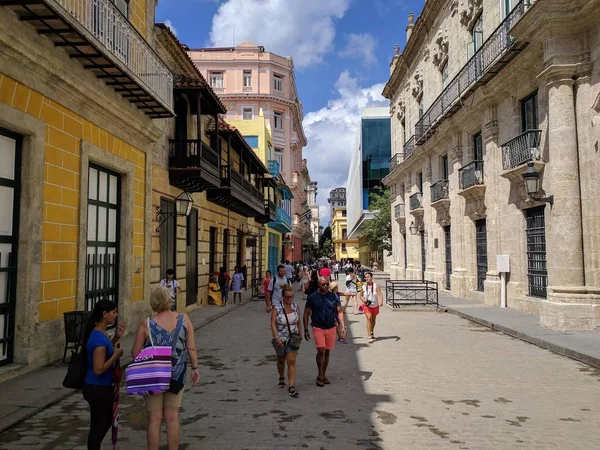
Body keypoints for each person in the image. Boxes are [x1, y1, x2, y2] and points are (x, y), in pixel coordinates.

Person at [131, 286, 199, 450]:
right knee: (172, 418)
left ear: (153, 301)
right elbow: (191, 348)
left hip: (154, 375)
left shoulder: (146, 324)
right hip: (177, 373)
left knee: (154, 420)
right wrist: (195, 368)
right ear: (170, 299)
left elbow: (134, 353)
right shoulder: (185, 319)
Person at [82, 299, 126, 450]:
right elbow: (98, 368)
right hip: (98, 388)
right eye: (113, 312)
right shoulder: (99, 339)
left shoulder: (100, 333)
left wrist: (116, 338)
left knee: (99, 423)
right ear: (104, 314)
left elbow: (105, 353)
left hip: (97, 387)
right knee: (101, 424)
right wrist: (116, 356)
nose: (116, 315)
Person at [303, 276, 346, 387]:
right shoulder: (312, 297)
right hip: (318, 326)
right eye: (323, 284)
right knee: (321, 350)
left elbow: (339, 311)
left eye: (327, 284)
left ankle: (323, 373)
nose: (326, 286)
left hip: (331, 326)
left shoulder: (333, 296)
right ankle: (320, 374)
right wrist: (306, 329)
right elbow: (306, 313)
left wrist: (342, 326)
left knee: (327, 351)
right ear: (318, 284)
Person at [270, 283, 303, 398]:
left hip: (293, 338)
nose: (290, 299)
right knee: (281, 359)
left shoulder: (295, 306)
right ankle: (281, 377)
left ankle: (292, 386)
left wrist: (300, 334)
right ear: (283, 296)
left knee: (291, 361)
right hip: (280, 339)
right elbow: (273, 323)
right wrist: (276, 337)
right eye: (287, 297)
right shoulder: (277, 307)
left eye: (292, 296)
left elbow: (298, 322)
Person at [361, 272, 384, 343]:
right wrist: (363, 300)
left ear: (371, 277)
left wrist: (381, 302)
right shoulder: (363, 287)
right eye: (366, 277)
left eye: (368, 277)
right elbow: (361, 295)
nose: (366, 278)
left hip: (375, 305)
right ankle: (369, 336)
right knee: (369, 318)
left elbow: (380, 294)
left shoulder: (376, 286)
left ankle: (371, 332)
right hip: (367, 306)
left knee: (373, 320)